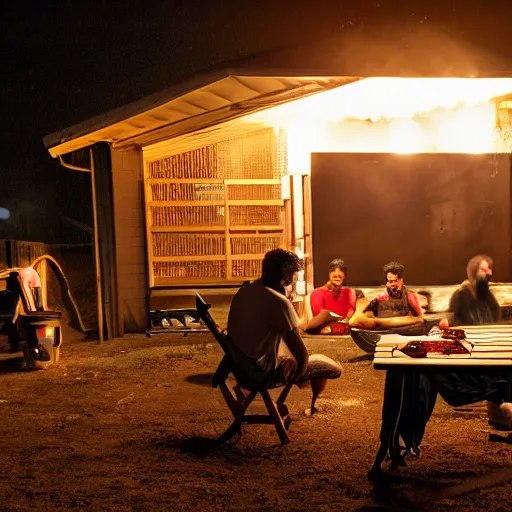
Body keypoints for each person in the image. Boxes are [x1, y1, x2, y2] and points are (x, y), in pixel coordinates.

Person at [228, 248, 342, 414]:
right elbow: (301, 353)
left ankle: (282, 400)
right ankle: (311, 406)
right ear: (285, 275)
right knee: (331, 368)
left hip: (240, 368)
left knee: (290, 358)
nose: (294, 279)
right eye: (293, 274)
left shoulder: (245, 291)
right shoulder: (278, 302)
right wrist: (299, 375)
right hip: (260, 374)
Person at [440, 255, 511, 430]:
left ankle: (501, 414)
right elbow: (458, 321)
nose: (489, 273)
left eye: (489, 270)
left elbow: (493, 321)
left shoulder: (489, 297)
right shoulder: (461, 295)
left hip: (491, 345)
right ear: (474, 271)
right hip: (472, 350)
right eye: (484, 270)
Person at [349, 261, 424, 331]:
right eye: (390, 281)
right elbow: (365, 315)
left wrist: (379, 322)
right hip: (381, 326)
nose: (392, 284)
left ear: (401, 280)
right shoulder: (380, 298)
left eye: (395, 281)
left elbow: (420, 319)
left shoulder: (409, 296)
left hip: (403, 327)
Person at [299, 258, 356, 334]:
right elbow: (318, 315)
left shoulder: (349, 292)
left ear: (345, 275)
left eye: (341, 271)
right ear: (329, 274)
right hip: (321, 327)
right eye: (333, 271)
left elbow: (350, 313)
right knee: (325, 314)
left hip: (343, 326)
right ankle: (302, 329)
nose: (337, 274)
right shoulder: (318, 292)